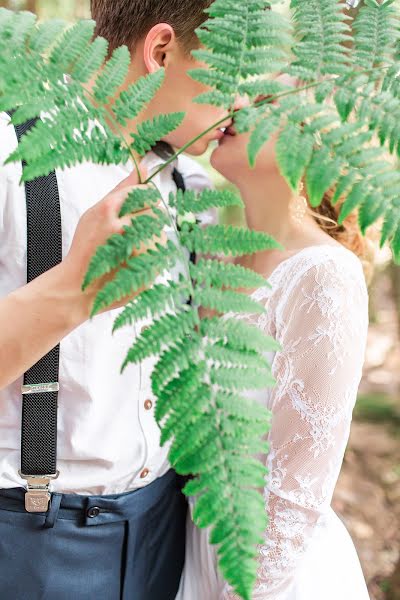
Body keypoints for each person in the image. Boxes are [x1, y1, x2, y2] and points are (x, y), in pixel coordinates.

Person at [0, 1, 230, 598]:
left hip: (166, 534)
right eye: (231, 76)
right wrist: (75, 288)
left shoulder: (189, 185)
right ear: (160, 52)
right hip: (32, 542)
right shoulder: (11, 154)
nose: (238, 105)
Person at [177, 107, 373, 599]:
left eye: (268, 100)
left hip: (267, 574)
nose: (239, 105)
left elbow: (298, 490)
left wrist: (248, 592)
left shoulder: (324, 274)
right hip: (193, 550)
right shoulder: (221, 264)